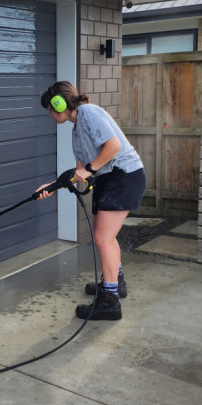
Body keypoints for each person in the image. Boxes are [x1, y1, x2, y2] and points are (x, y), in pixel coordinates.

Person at [36, 81, 146, 321]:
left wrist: (89, 169)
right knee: (105, 236)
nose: (50, 114)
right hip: (111, 178)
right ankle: (115, 282)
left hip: (124, 176)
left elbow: (113, 146)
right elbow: (79, 171)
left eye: (50, 109)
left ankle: (110, 302)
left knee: (102, 238)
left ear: (60, 104)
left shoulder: (88, 112)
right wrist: (52, 187)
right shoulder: (76, 130)